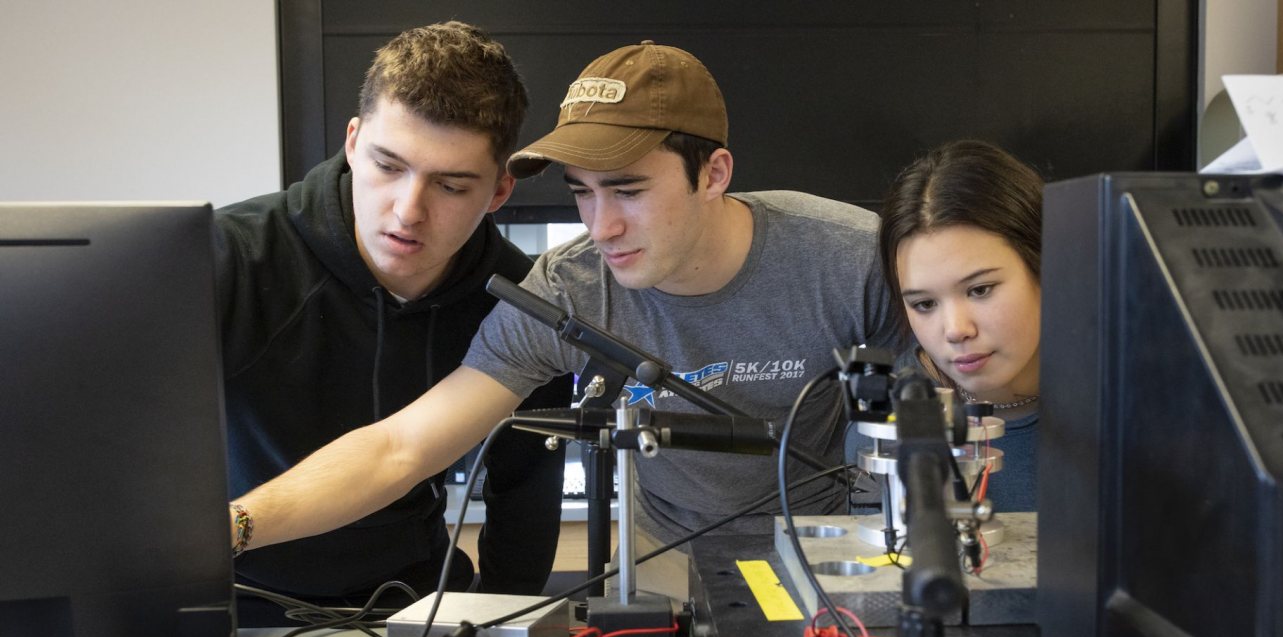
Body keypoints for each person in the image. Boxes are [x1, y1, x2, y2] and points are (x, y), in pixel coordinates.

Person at [229, 41, 902, 598]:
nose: (601, 227)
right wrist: (229, 528)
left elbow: (954, 414)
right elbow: (399, 449)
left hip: (832, 546)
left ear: (714, 172)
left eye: (629, 191)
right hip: (663, 554)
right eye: (582, 192)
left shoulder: (850, 260)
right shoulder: (566, 291)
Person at [220, 21, 570, 616]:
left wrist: (497, 630)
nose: (408, 211)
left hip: (413, 599)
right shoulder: (232, 255)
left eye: (452, 186)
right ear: (353, 141)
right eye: (388, 165)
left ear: (499, 192)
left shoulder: (522, 303)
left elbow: (524, 494)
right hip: (233, 588)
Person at [878, 139, 1044, 512]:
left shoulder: (1134, 410)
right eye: (924, 304)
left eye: (980, 289)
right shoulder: (884, 430)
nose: (955, 329)